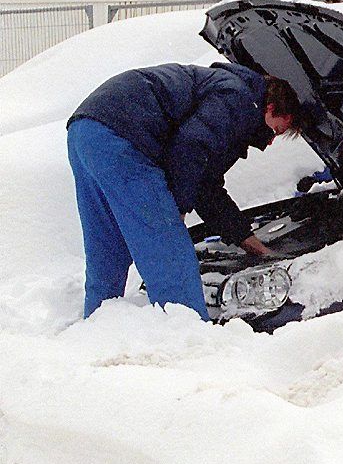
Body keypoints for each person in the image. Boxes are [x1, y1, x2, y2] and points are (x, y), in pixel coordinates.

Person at [66, 62, 305, 320]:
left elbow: (205, 186)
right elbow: (189, 148)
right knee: (170, 257)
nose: (270, 141)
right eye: (277, 130)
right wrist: (177, 210)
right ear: (270, 108)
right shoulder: (240, 99)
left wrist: (247, 240)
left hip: (87, 130)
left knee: (107, 245)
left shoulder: (225, 89)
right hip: (124, 135)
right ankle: (188, 345)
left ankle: (97, 327)